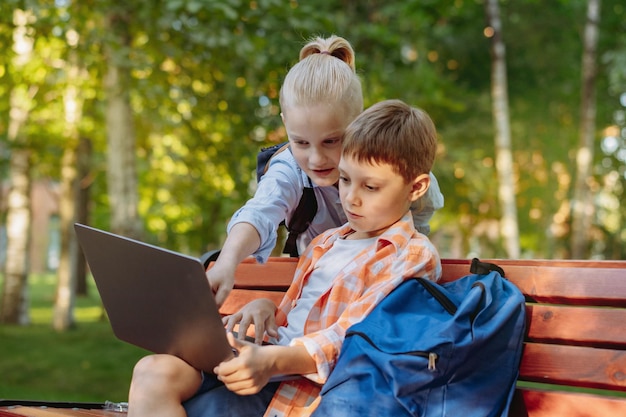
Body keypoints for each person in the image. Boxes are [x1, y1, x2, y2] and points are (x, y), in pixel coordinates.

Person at [126, 99, 442, 417]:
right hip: (263, 362)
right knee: (152, 373)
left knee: (204, 407)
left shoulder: (412, 258)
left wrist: (272, 360)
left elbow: (353, 341)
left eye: (370, 186)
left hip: (298, 384)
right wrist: (266, 311)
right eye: (344, 180)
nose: (351, 198)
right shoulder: (327, 243)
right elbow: (297, 319)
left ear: (416, 187)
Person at [207, 35, 444, 308]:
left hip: (377, 288)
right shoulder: (289, 171)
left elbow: (415, 238)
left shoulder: (399, 173)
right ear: (285, 126)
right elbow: (260, 212)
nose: (316, 159)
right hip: (314, 295)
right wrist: (226, 262)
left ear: (359, 122)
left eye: (331, 141)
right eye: (301, 142)